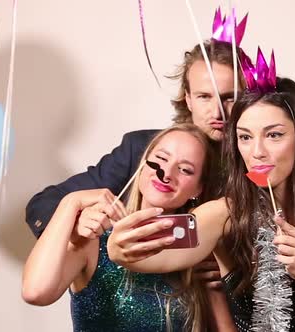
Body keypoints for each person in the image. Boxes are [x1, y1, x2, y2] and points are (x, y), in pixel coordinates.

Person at [107, 53, 295, 331]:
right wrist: (118, 248)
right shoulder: (226, 214)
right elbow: (157, 252)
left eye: (274, 135)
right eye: (245, 137)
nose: (257, 152)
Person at [22, 124, 218, 331]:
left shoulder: (197, 253)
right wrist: (70, 203)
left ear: (198, 188)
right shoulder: (95, 238)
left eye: (185, 169)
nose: (166, 174)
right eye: (160, 159)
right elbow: (35, 292)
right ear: (143, 163)